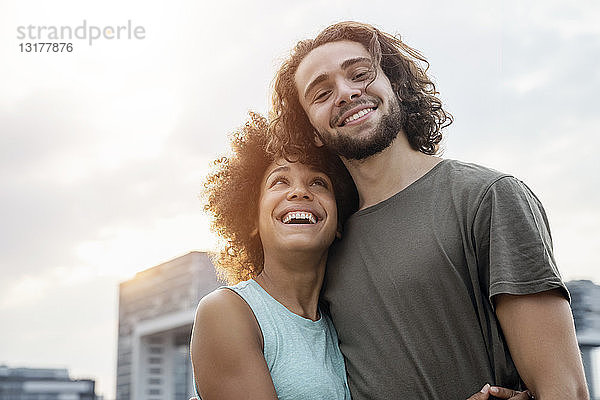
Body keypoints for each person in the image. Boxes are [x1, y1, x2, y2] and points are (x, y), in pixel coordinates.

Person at [268, 21, 589, 400]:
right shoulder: (326, 244)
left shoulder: (488, 197)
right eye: (321, 93)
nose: (346, 93)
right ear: (313, 132)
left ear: (397, 86)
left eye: (360, 73)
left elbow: (564, 390)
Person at [189, 113, 530, 400]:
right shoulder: (228, 312)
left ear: (338, 222)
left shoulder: (344, 326)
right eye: (279, 182)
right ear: (252, 220)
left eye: (319, 183)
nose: (299, 191)